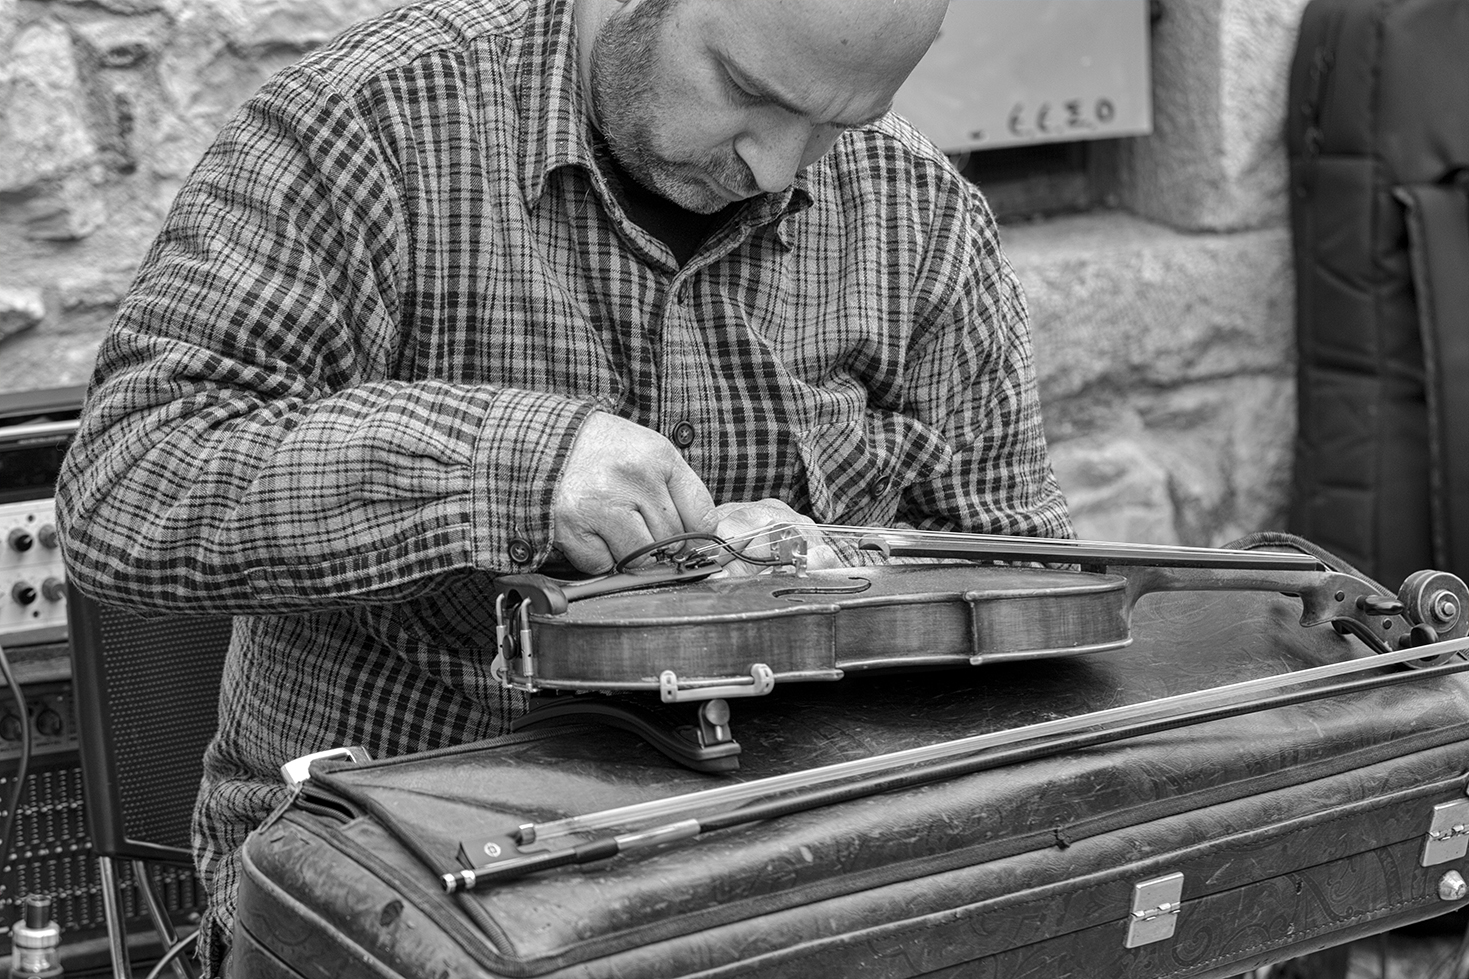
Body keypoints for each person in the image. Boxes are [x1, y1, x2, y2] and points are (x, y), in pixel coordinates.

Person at [55, 0, 1073, 970]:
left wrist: (847, 572)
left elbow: (1024, 590)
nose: (772, 164)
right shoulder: (369, 124)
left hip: (775, 876)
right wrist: (512, 466)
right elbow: (130, 482)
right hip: (389, 878)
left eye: (833, 123)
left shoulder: (920, 218)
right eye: (745, 89)